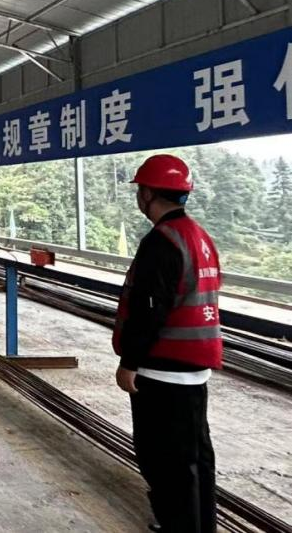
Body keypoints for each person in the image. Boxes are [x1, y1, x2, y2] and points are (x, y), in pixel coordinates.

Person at [113, 154, 222, 533]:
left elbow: (148, 309)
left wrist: (129, 362)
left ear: (148, 193)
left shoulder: (161, 242)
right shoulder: (199, 236)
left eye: (140, 190)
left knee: (164, 460)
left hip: (163, 369)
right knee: (195, 457)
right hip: (194, 368)